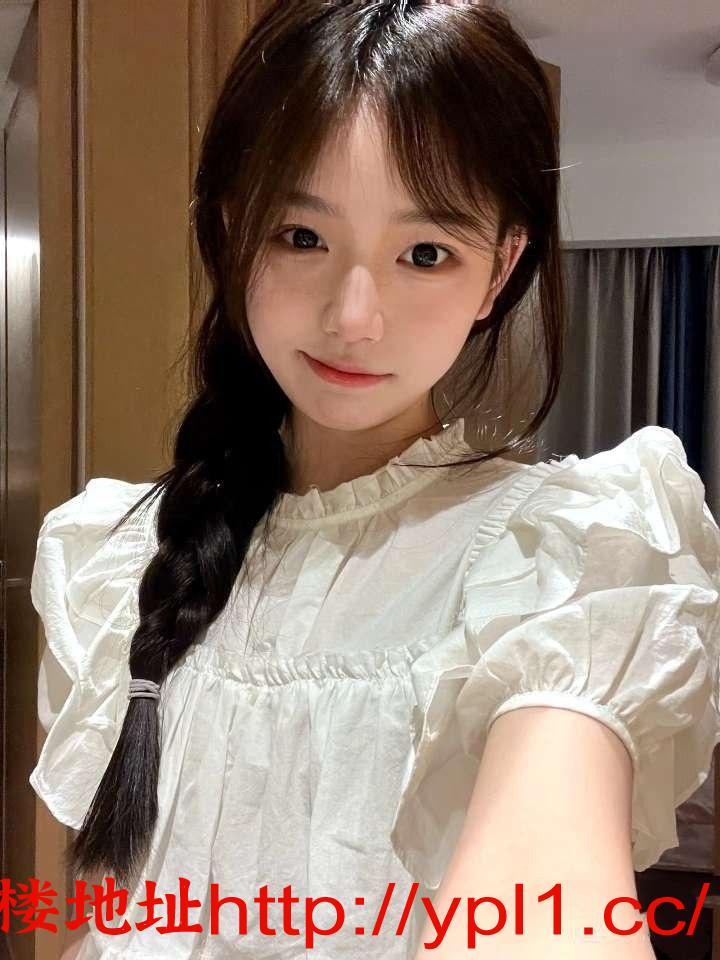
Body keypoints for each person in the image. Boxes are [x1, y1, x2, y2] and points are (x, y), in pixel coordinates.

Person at [30, 2, 720, 958]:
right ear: (231, 233)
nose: (354, 317)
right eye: (300, 236)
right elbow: (92, 916)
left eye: (425, 253)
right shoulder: (106, 564)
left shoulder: (562, 563)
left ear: (499, 272)